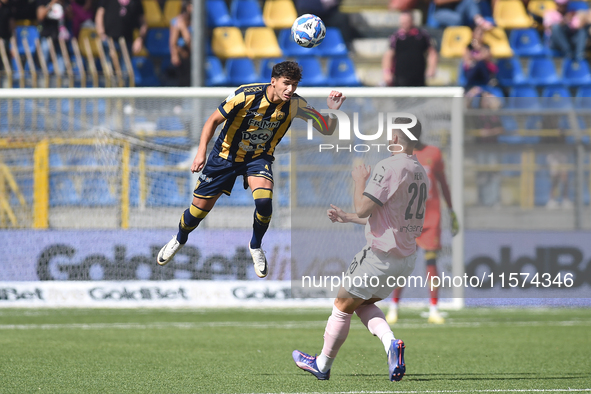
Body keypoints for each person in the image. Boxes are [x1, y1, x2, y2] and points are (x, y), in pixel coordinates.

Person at [156, 61, 346, 278]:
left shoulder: (295, 104)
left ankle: (255, 246)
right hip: (224, 157)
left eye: (294, 85)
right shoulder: (245, 95)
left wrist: (332, 111)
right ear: (273, 81)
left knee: (265, 202)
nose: (290, 89)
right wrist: (201, 152)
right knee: (197, 212)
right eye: (286, 84)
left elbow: (326, 128)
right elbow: (213, 120)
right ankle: (179, 238)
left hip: (258, 158)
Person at [292, 118, 427, 382]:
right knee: (363, 304)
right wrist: (348, 217)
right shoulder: (420, 171)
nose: (389, 140)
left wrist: (359, 180)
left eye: (392, 135)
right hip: (406, 258)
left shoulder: (388, 166)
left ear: (399, 138)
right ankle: (391, 344)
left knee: (342, 305)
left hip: (380, 255)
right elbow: (386, 216)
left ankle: (322, 365)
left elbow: (365, 207)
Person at [385, 131, 459, 325]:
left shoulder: (433, 153)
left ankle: (434, 308)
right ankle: (393, 307)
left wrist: (451, 210)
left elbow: (443, 184)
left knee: (431, 262)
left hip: (431, 216)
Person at [382, 10, 438, 87]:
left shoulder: (422, 35)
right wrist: (387, 72)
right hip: (400, 77)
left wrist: (431, 68)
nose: (404, 24)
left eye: (406, 22)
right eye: (402, 22)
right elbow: (388, 55)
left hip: (418, 76)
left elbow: (432, 52)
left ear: (412, 21)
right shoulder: (396, 37)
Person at [462, 26, 497, 90]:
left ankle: (487, 84)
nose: (480, 36)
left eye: (482, 33)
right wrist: (479, 57)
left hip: (483, 72)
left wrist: (479, 48)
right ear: (473, 34)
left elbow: (488, 57)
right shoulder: (468, 47)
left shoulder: (486, 46)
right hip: (472, 72)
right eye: (478, 33)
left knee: (480, 63)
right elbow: (467, 61)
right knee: (478, 64)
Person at [166, 0, 192, 87]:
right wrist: (175, 54)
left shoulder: (197, 23)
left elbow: (191, 44)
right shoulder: (176, 22)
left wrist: (184, 28)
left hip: (192, 58)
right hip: (182, 60)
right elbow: (172, 43)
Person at [0, 0, 14, 72]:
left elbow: (11, 26)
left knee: (6, 66)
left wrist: (13, 45)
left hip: (5, 40)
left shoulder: (8, 7)